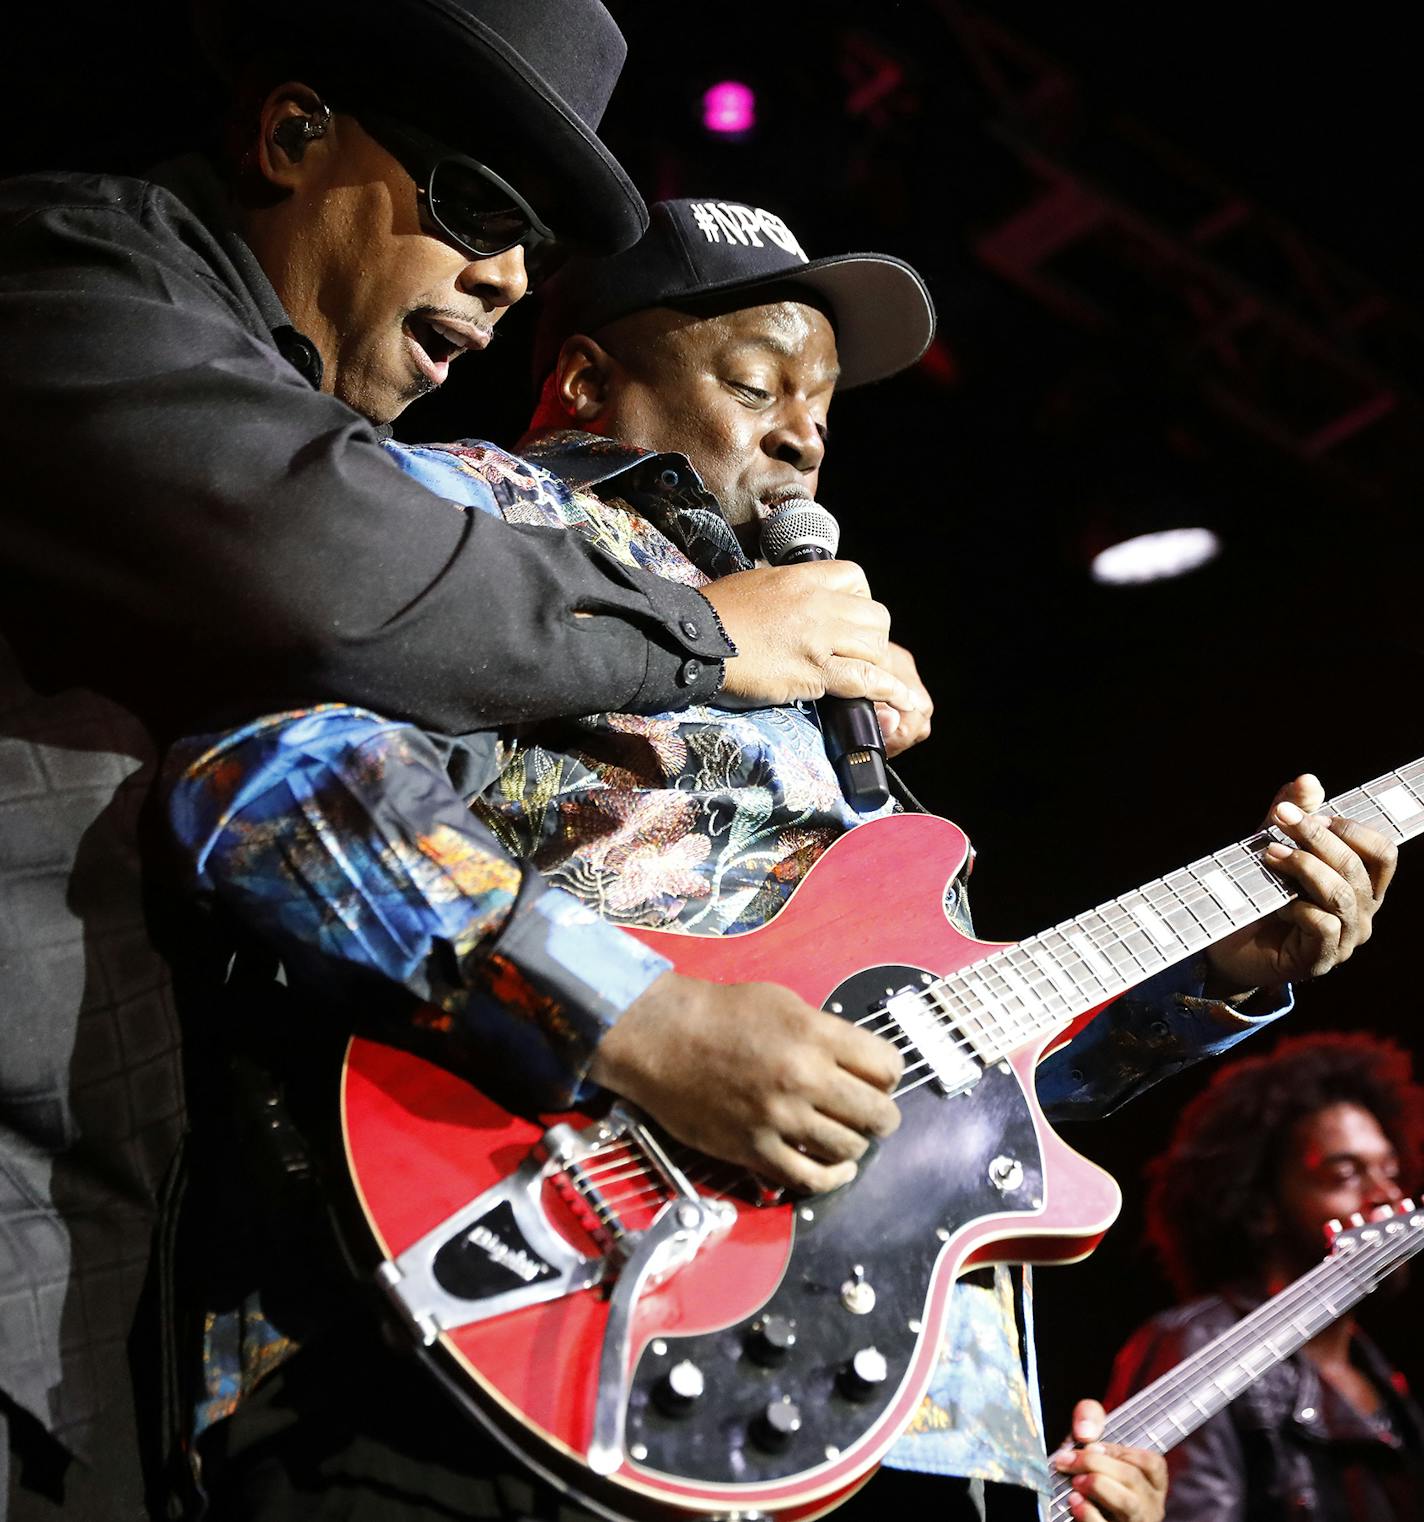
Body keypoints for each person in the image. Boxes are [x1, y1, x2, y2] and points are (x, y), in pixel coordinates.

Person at [165, 199, 1397, 1522]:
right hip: (544, 1329)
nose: (804, 432)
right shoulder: (472, 518)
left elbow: (961, 1096)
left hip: (901, 1414)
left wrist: (1215, 972)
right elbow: (276, 779)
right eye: (756, 383)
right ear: (585, 378)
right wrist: (645, 1019)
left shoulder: (825, 676)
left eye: (823, 403)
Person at [0, 6, 919, 1516]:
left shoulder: (784, 657)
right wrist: (700, 635)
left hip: (109, 1290)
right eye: (478, 206)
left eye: (533, 242)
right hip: (417, 1327)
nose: (503, 277)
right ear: (292, 134)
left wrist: (1211, 978)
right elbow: (307, 620)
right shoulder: (77, 271)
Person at [1108, 1033, 1424, 1520]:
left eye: (1390, 1170)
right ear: (1261, 1209)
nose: (1386, 1194)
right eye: (1345, 1174)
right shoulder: (1198, 1341)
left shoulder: (1379, 1374)